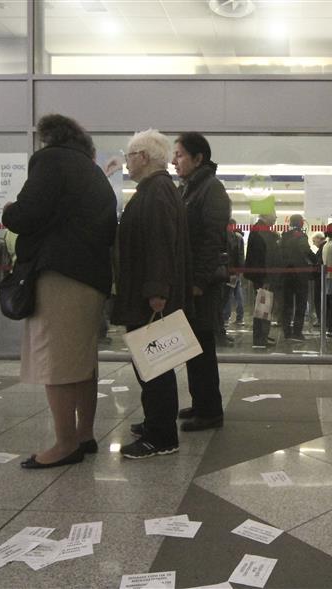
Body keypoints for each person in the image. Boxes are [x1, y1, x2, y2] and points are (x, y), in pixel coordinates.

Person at [2, 114, 116, 469]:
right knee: (82, 361)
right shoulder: (93, 172)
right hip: (92, 277)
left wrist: (8, 211)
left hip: (60, 274)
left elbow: (25, 214)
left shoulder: (50, 161)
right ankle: (83, 434)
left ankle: (65, 444)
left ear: (48, 138)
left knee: (59, 361)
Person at [114, 129, 192, 458]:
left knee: (155, 366)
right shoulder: (155, 188)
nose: (127, 163)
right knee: (151, 365)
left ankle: (161, 435)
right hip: (148, 292)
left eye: (130, 156)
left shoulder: (156, 190)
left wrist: (157, 290)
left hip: (150, 296)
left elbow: (160, 243)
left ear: (143, 158)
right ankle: (155, 422)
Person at [171, 132, 231, 432]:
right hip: (192, 282)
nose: (174, 160)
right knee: (193, 346)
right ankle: (200, 402)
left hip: (203, 285)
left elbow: (212, 241)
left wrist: (197, 282)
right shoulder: (191, 188)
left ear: (198, 159)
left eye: (180, 154)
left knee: (202, 346)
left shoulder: (211, 189)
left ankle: (210, 411)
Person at [244, 213, 281, 348]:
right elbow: (264, 257)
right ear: (267, 216)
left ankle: (262, 335)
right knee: (263, 307)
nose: (276, 219)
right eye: (274, 216)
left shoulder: (259, 230)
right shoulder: (262, 232)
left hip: (261, 275)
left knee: (263, 306)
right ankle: (260, 339)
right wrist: (265, 278)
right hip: (263, 276)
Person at [279, 214, 314, 340]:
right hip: (300, 274)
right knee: (300, 304)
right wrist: (317, 261)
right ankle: (297, 332)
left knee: (287, 304)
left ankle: (287, 331)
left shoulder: (284, 236)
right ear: (301, 223)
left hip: (286, 274)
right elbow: (306, 251)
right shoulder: (300, 235)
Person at [221, 220, 246, 327]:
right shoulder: (239, 237)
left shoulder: (227, 237)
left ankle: (226, 317)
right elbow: (240, 255)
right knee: (237, 293)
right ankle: (240, 316)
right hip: (236, 270)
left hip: (229, 270)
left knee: (228, 294)